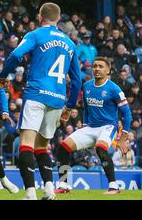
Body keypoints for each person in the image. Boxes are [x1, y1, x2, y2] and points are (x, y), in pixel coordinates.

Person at [0, 2, 82, 200]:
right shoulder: (70, 43)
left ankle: (30, 193)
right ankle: (50, 191)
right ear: (58, 18)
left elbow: (16, 54)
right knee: (42, 147)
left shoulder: (35, 34)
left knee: (26, 144)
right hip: (57, 99)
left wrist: (3, 76)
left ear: (39, 17)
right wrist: (69, 106)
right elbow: (77, 81)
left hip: (36, 94)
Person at [55, 57, 132, 194]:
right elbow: (86, 108)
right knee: (63, 147)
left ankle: (114, 186)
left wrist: (122, 138)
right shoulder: (87, 86)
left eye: (101, 66)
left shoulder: (114, 89)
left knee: (101, 149)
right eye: (95, 66)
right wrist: (84, 126)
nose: (97, 69)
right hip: (90, 127)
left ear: (108, 70)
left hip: (108, 127)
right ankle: (63, 185)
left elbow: (127, 114)